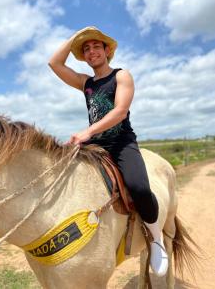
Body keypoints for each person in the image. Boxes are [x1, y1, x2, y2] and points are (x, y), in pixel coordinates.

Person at [48, 26, 168, 276]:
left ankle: (157, 239)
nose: (91, 51)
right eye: (86, 48)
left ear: (106, 50)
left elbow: (120, 111)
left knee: (140, 187)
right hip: (95, 146)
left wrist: (88, 131)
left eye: (96, 46)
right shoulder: (85, 83)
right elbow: (54, 63)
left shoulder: (121, 75)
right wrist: (77, 36)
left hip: (121, 142)